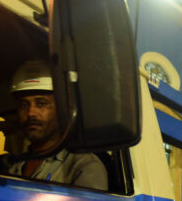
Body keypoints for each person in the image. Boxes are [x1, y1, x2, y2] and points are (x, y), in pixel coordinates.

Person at [7, 60, 108, 190]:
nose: (31, 112)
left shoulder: (83, 165)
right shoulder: (12, 165)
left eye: (41, 103)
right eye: (24, 105)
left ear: (61, 110)